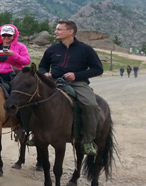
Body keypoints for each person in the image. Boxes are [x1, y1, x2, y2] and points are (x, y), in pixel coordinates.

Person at [38, 20, 103, 156]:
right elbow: (42, 65)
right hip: (53, 82)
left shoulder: (85, 49)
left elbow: (98, 69)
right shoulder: (52, 49)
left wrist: (76, 75)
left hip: (77, 83)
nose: (56, 32)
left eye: (59, 29)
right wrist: (45, 73)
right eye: (56, 29)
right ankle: (34, 133)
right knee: (32, 98)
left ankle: (88, 140)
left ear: (70, 31)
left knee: (90, 105)